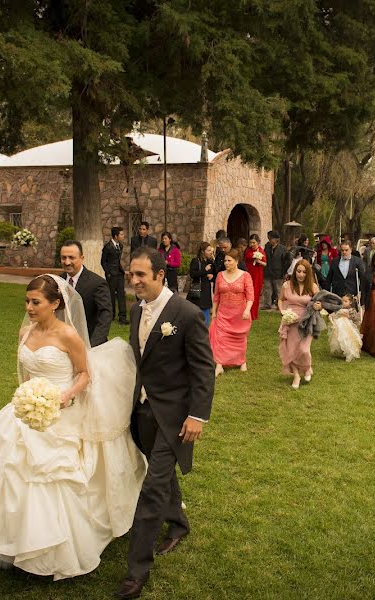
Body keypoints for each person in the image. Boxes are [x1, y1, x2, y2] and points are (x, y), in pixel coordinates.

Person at [0, 274, 146, 579]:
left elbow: (84, 374)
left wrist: (65, 395)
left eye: (36, 302)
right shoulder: (25, 331)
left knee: (53, 479)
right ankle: (14, 540)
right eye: (27, 302)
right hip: (28, 410)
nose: (29, 308)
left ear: (55, 304)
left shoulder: (68, 335)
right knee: (13, 473)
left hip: (62, 411)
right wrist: (27, 397)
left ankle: (54, 549)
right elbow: (28, 371)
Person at [115, 247, 214, 599]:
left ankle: (135, 571)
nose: (134, 280)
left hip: (175, 415)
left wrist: (197, 415)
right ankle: (179, 524)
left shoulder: (185, 314)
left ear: (160, 274)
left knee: (152, 487)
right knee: (161, 472)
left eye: (141, 275)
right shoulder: (135, 309)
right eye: (131, 274)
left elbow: (203, 368)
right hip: (142, 412)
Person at [209, 249, 255, 376]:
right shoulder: (220, 275)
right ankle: (219, 364)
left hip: (240, 313)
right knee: (220, 338)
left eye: (229, 261)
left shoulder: (245, 275)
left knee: (239, 339)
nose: (226, 263)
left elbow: (250, 296)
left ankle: (242, 361)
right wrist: (214, 311)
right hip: (223, 312)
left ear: (236, 261)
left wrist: (247, 310)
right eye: (225, 260)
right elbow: (217, 295)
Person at [60, 239, 113, 347]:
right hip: (62, 343)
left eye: (71, 257)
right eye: (63, 258)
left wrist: (92, 346)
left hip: (88, 344)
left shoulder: (97, 283)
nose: (67, 262)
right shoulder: (58, 281)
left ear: (82, 258)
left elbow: (105, 315)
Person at [278, 259, 319, 389]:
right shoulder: (287, 285)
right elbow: (280, 300)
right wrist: (283, 311)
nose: (300, 274)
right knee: (291, 350)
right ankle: (296, 374)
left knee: (304, 350)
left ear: (308, 274)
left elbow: (319, 303)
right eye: (298, 271)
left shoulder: (313, 287)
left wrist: (318, 306)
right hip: (290, 321)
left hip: (306, 322)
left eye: (304, 272)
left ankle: (307, 368)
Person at [102, 226, 129, 325]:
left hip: (119, 273)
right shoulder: (107, 247)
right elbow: (103, 261)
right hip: (111, 275)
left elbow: (117, 260)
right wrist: (108, 273)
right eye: (121, 234)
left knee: (122, 294)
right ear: (116, 236)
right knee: (111, 295)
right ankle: (111, 315)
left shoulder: (120, 246)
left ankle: (122, 317)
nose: (123, 236)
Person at [328, 294, 363, 362]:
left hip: (349, 328)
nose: (343, 302)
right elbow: (336, 315)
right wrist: (332, 317)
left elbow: (356, 319)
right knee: (340, 339)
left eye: (345, 301)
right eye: (342, 301)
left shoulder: (352, 310)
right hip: (340, 328)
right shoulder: (339, 308)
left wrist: (348, 316)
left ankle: (350, 352)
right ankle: (342, 351)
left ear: (350, 302)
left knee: (348, 339)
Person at [261, 231, 289, 311]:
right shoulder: (267, 247)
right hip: (267, 271)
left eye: (271, 238)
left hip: (278, 272)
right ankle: (267, 304)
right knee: (267, 288)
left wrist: (285, 272)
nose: (269, 239)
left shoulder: (282, 249)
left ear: (276, 239)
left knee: (279, 289)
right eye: (269, 238)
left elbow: (286, 261)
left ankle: (279, 305)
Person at [188, 242, 215, 324]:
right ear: (203, 251)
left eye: (211, 250)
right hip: (198, 292)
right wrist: (204, 270)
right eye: (208, 250)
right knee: (196, 316)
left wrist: (212, 276)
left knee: (206, 317)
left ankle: (205, 332)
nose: (210, 252)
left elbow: (215, 272)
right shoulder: (196, 261)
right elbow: (192, 274)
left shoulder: (210, 261)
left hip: (206, 292)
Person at [243, 234, 267, 320]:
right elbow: (246, 258)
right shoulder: (248, 250)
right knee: (247, 293)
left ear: (258, 242)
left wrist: (258, 261)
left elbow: (265, 263)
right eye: (251, 242)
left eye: (254, 242)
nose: (252, 244)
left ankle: (254, 314)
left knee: (255, 294)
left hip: (257, 275)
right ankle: (246, 312)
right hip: (249, 273)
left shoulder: (261, 250)